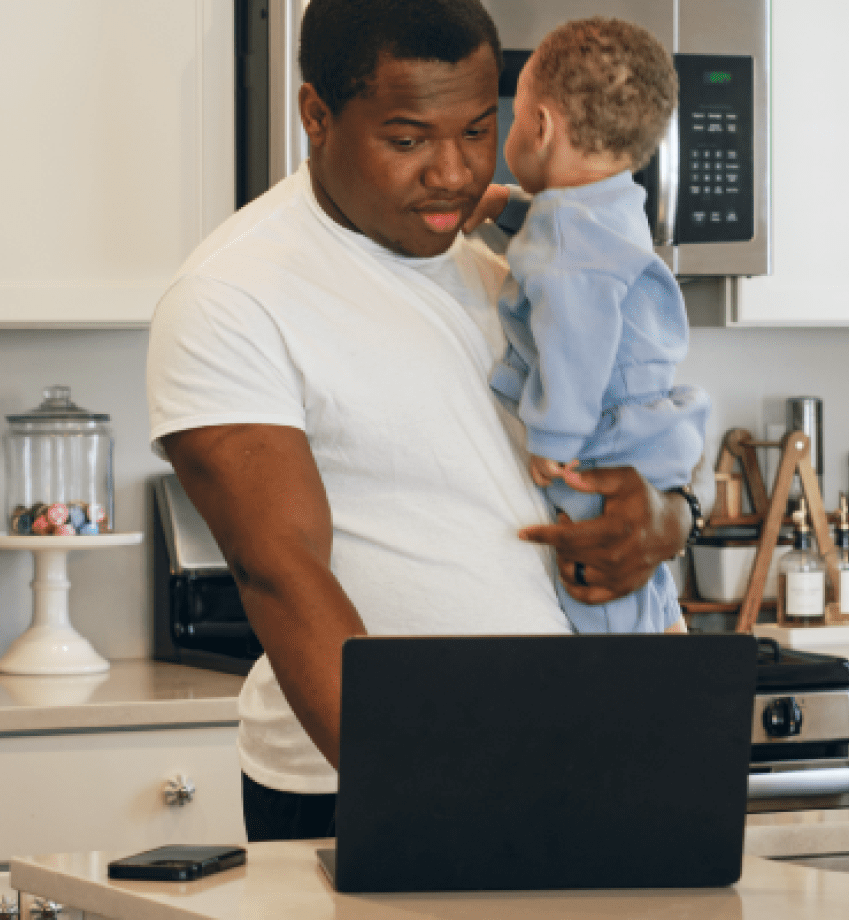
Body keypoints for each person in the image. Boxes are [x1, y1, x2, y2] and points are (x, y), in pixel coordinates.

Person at [145, 0, 694, 843]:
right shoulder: (234, 297)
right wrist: (429, 801)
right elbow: (280, 573)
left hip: (595, 752)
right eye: (408, 140)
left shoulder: (516, 263)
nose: (452, 171)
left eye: (478, 130)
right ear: (316, 116)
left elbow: (627, 458)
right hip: (380, 781)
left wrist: (660, 521)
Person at [491, 17, 708, 636]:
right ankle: (663, 622)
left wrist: (554, 438)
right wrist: (508, 207)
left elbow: (576, 340)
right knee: (639, 568)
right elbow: (567, 248)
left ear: (540, 126)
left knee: (598, 574)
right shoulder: (611, 204)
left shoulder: (566, 241)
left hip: (601, 434)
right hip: (644, 422)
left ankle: (645, 642)